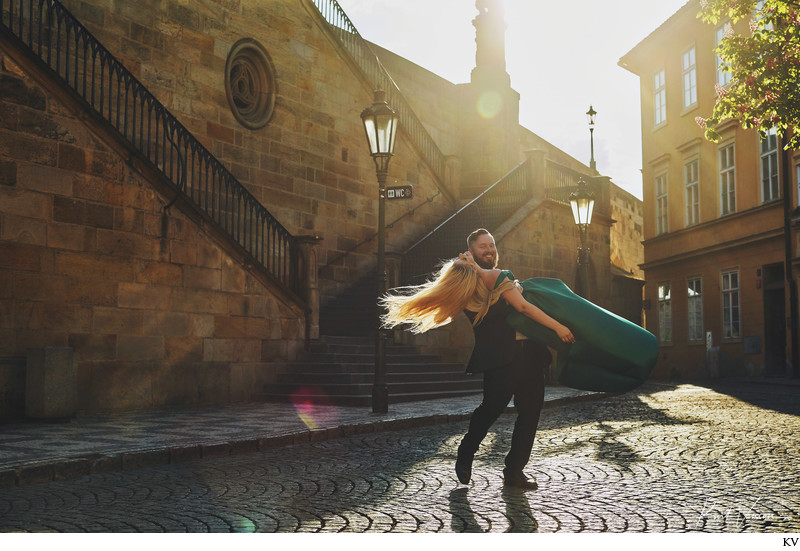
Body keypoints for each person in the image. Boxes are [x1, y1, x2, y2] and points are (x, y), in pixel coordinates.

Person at [382, 228, 574, 490]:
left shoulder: (501, 278)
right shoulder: (470, 281)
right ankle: (466, 451)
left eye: (492, 246)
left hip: (530, 354)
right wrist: (559, 328)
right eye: (483, 247)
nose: (490, 250)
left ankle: (514, 471)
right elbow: (524, 307)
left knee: (530, 415)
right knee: (490, 410)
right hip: (500, 358)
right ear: (471, 252)